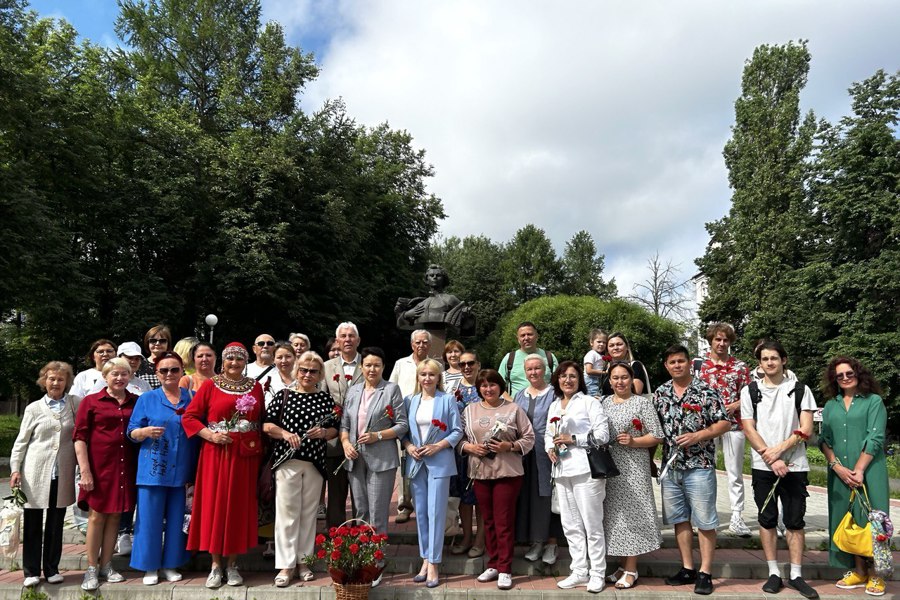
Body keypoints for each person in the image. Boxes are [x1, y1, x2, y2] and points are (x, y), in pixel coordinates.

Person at [181, 342, 264, 589]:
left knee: (237, 507)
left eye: (239, 360)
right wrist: (211, 435)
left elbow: (259, 421)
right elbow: (190, 417)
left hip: (244, 459)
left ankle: (233, 565)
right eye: (230, 359)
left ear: (245, 362)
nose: (235, 364)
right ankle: (216, 565)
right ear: (223, 362)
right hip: (215, 455)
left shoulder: (255, 387)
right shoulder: (210, 385)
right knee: (216, 506)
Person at [740, 340, 818, 599]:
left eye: (774, 358)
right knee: (767, 519)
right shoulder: (750, 391)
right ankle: (773, 572)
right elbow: (749, 428)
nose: (770, 363)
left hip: (795, 466)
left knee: (795, 521)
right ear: (759, 363)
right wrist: (770, 457)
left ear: (784, 360)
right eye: (765, 359)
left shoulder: (799, 390)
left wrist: (780, 451)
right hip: (763, 465)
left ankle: (796, 574)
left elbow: (806, 429)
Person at [655, 345, 730, 596]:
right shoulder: (660, 393)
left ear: (689, 363)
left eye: (681, 361)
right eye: (672, 362)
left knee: (705, 521)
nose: (677, 365)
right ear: (666, 366)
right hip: (671, 466)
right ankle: (688, 568)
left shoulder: (706, 390)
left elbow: (723, 422)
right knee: (679, 520)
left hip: (700, 466)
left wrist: (700, 435)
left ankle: (706, 572)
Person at [263, 351, 339, 587]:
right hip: (287, 463)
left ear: (320, 375)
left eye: (313, 371)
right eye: (304, 370)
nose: (307, 374)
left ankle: (304, 562)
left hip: (315, 463)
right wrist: (285, 434)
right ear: (297, 371)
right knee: (287, 514)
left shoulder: (326, 400)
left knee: (308, 514)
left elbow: (334, 429)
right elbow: (267, 425)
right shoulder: (284, 395)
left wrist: (325, 433)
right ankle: (286, 565)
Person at [127, 352, 198, 585]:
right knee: (149, 520)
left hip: (183, 469)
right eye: (164, 370)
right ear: (157, 374)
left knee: (178, 520)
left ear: (182, 372)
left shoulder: (192, 397)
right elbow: (132, 432)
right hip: (154, 469)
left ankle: (171, 564)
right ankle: (149, 567)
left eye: (174, 370)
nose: (169, 374)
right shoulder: (146, 399)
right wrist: (145, 432)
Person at [820, 357, 889, 597]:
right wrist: (836, 467)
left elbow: (876, 437)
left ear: (858, 374)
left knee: (874, 520)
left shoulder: (873, 401)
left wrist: (859, 469)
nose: (845, 378)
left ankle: (878, 575)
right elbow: (824, 440)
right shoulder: (831, 406)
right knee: (849, 521)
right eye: (839, 375)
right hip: (840, 473)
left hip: (869, 471)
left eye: (849, 373)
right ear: (834, 379)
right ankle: (859, 571)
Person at [460, 369, 535, 590]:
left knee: (503, 521)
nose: (488, 389)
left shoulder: (513, 409)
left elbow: (529, 438)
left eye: (492, 384)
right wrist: (469, 447)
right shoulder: (469, 410)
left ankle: (505, 568)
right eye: (483, 385)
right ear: (479, 389)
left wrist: (509, 446)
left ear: (500, 386)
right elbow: (460, 437)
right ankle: (492, 564)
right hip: (480, 472)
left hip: (507, 472)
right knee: (488, 520)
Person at [340, 347, 408, 587]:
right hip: (355, 458)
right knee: (360, 512)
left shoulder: (391, 390)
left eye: (376, 365)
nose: (372, 369)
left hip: (381, 460)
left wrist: (377, 435)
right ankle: (361, 558)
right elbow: (344, 424)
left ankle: (375, 564)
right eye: (368, 365)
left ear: (383, 367)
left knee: (378, 514)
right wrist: (346, 442)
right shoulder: (354, 390)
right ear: (361, 367)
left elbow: (402, 425)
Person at [10, 361, 78, 588]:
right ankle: (30, 571)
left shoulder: (74, 404)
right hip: (35, 473)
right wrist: (15, 468)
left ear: (67, 381)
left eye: (60, 379)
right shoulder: (34, 408)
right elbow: (21, 442)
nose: (56, 383)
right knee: (32, 522)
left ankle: (52, 568)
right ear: (44, 381)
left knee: (56, 522)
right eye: (51, 379)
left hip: (63, 472)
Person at [74, 357, 139, 591]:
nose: (120, 378)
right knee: (97, 516)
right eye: (115, 374)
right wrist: (85, 471)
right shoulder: (91, 401)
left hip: (126, 468)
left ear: (130, 377)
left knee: (115, 516)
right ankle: (91, 568)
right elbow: (80, 437)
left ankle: (107, 564)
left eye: (124, 374)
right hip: (99, 468)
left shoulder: (136, 401)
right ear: (105, 376)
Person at [545, 362, 609, 593]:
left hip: (586, 470)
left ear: (579, 380)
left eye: (572, 376)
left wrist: (572, 438)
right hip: (562, 471)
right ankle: (579, 570)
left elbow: (602, 436)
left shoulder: (589, 402)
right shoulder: (554, 405)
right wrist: (549, 449)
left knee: (592, 525)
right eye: (563, 376)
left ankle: (597, 573)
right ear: (557, 380)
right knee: (570, 525)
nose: (568, 380)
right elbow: (547, 434)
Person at [602, 361, 664, 589]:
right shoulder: (604, 402)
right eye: (615, 378)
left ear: (631, 379)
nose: (620, 382)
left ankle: (631, 569)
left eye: (624, 377)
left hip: (634, 468)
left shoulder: (641, 403)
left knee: (634, 516)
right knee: (616, 517)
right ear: (610, 381)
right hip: (611, 468)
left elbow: (657, 435)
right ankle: (621, 566)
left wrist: (635, 441)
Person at [402, 359, 463, 587]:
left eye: (431, 374)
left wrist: (439, 446)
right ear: (418, 377)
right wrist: (408, 447)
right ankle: (425, 559)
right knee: (422, 514)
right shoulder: (410, 400)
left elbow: (458, 431)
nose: (427, 378)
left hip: (439, 462)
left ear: (439, 378)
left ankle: (435, 562)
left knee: (437, 513)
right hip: (417, 463)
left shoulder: (447, 400)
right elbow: (404, 432)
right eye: (423, 374)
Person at [696, 322, 753, 538]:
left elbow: (748, 394)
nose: (721, 343)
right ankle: (703, 518)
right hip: (707, 426)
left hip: (733, 425)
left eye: (725, 340)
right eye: (717, 339)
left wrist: (735, 405)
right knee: (703, 472)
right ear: (710, 340)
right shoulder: (700, 366)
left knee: (734, 472)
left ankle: (737, 517)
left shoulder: (740, 367)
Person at [514, 354, 563, 566]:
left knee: (548, 496)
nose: (533, 373)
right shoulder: (519, 395)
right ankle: (536, 541)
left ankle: (552, 542)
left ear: (544, 370)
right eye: (529, 369)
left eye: (537, 368)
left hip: (547, 454)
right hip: (524, 455)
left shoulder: (554, 394)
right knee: (529, 496)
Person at [69, 339, 116, 535]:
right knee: (83, 478)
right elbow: (74, 404)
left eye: (109, 351)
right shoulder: (84, 376)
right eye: (101, 351)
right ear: (93, 355)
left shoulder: (119, 373)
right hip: (86, 432)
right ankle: (82, 524)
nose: (105, 354)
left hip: (109, 437)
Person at [321, 322, 363, 528]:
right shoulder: (327, 368)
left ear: (358, 340)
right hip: (335, 440)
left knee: (360, 494)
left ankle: (360, 538)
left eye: (351, 336)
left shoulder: (368, 365)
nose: (347, 339)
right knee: (336, 494)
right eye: (343, 336)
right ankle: (335, 540)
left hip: (363, 440)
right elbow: (321, 401)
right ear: (337, 341)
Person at [389, 329, 432, 522]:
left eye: (424, 342)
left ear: (429, 345)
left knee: (427, 461)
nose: (421, 345)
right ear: (412, 344)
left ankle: (428, 504)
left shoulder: (435, 365)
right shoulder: (400, 364)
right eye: (418, 342)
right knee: (404, 462)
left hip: (428, 420)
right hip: (404, 419)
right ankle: (404, 505)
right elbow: (391, 389)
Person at [449, 351, 486, 558]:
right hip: (461, 450)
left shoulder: (486, 385)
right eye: (462, 364)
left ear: (478, 364)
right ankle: (466, 537)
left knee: (480, 497)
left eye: (471, 363)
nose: (466, 367)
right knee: (464, 497)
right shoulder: (454, 389)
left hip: (482, 452)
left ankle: (480, 539)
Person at [395, 264, 474, 336]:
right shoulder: (421, 304)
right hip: (425, 341)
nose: (434, 277)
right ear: (427, 279)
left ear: (444, 279)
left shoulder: (450, 299)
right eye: (431, 275)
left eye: (438, 275)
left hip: (440, 337)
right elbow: (401, 324)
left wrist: (466, 316)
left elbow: (468, 327)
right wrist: (406, 315)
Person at [497, 322, 556, 397]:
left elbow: (558, 383)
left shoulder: (549, 357)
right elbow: (497, 385)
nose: (526, 338)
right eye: (522, 335)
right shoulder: (509, 358)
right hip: (517, 406)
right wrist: (512, 403)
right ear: (518, 339)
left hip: (546, 405)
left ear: (537, 336)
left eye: (530, 334)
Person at [136, 324, 173, 390]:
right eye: (153, 341)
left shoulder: (175, 364)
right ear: (148, 343)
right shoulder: (139, 364)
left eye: (162, 341)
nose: (157, 343)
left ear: (168, 343)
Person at [266, 341, 297, 407]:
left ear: (295, 357)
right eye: (279, 357)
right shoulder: (269, 382)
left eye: (288, 356)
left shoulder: (304, 379)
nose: (284, 361)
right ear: (273, 360)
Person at [583, 329, 609, 397]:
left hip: (597, 381)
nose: (601, 344)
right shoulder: (591, 354)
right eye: (599, 342)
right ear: (591, 342)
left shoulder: (601, 355)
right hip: (590, 381)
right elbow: (588, 370)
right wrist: (605, 373)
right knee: (593, 398)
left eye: (604, 342)